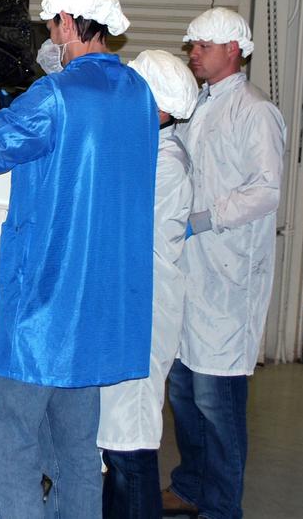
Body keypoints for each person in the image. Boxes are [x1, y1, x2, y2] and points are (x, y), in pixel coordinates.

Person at [0, 0, 158, 519]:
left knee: (14, 455)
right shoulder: (139, 95)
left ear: (67, 23)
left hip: (39, 317)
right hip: (96, 319)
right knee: (76, 456)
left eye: (51, 26)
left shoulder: (55, 96)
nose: (51, 36)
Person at [163, 7, 285, 519]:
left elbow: (267, 191)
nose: (194, 53)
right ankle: (191, 485)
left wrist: (205, 220)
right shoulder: (198, 106)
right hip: (189, 270)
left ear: (233, 50)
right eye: (192, 45)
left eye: (204, 46)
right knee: (183, 389)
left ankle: (221, 507)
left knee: (217, 400)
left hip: (230, 274)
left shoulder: (254, 111)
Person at [98, 50, 198, 519]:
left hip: (141, 309)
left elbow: (123, 230)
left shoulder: (165, 163)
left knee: (130, 444)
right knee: (114, 442)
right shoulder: (145, 146)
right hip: (125, 305)